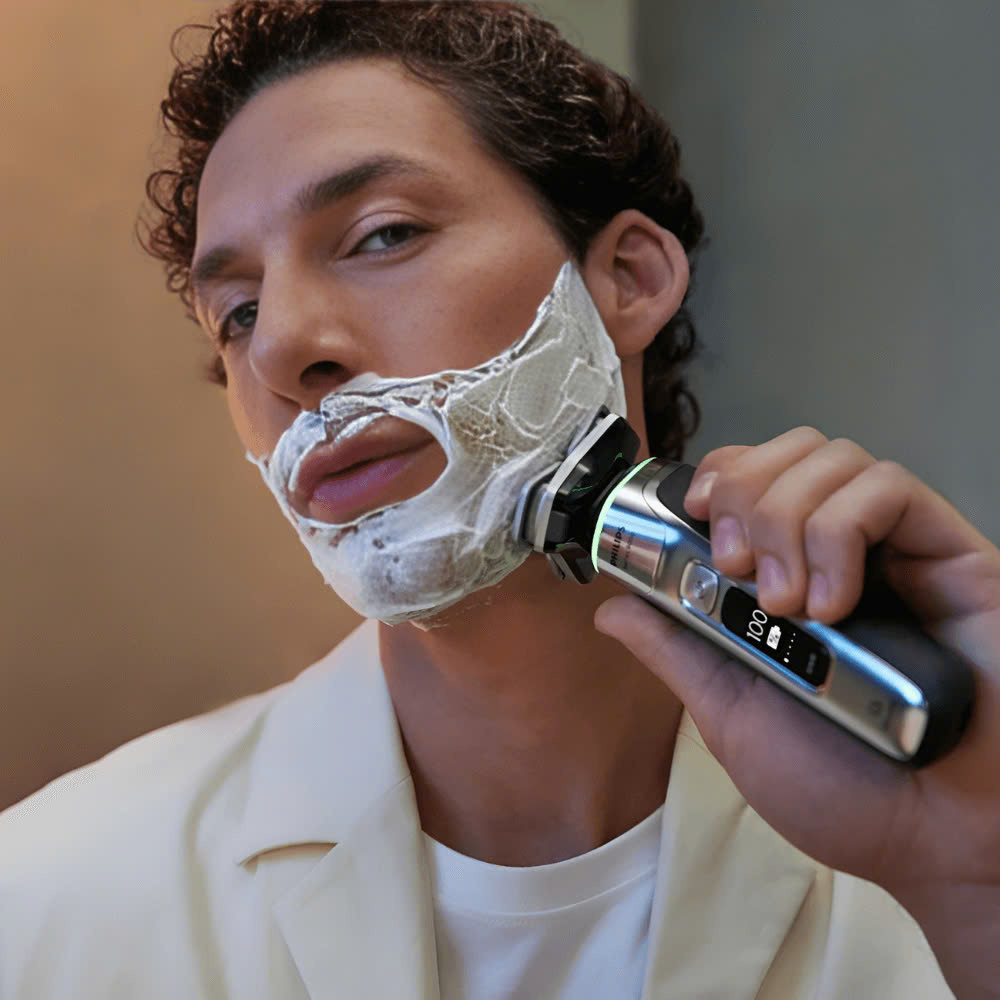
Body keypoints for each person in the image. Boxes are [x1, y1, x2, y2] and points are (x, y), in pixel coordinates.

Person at [1, 2, 998, 997]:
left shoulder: (931, 850)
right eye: (238, 312)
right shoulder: (50, 901)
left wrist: (979, 880)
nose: (282, 349)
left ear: (627, 279)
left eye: (383, 235)